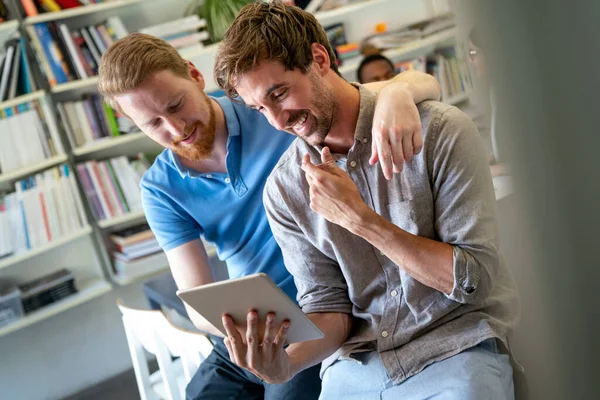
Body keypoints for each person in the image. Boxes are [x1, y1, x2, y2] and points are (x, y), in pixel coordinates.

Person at [98, 31, 442, 399]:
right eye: (153, 124)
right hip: (252, 327)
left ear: (194, 75)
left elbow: (421, 83)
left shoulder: (266, 107)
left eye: (176, 105)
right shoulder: (159, 187)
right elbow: (196, 299)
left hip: (325, 309)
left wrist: (396, 93)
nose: (176, 128)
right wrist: (242, 331)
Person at [214, 2, 520, 399]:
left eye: (280, 94)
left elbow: (474, 280)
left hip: (455, 347)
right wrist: (285, 364)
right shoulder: (285, 189)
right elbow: (329, 309)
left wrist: (361, 220)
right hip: (359, 368)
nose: (277, 121)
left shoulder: (440, 132)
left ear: (319, 59)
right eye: (259, 108)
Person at [469, 25, 510, 177]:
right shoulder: (497, 90)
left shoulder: (515, 93)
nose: (470, 59)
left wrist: (495, 170)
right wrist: (495, 157)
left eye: (473, 52)